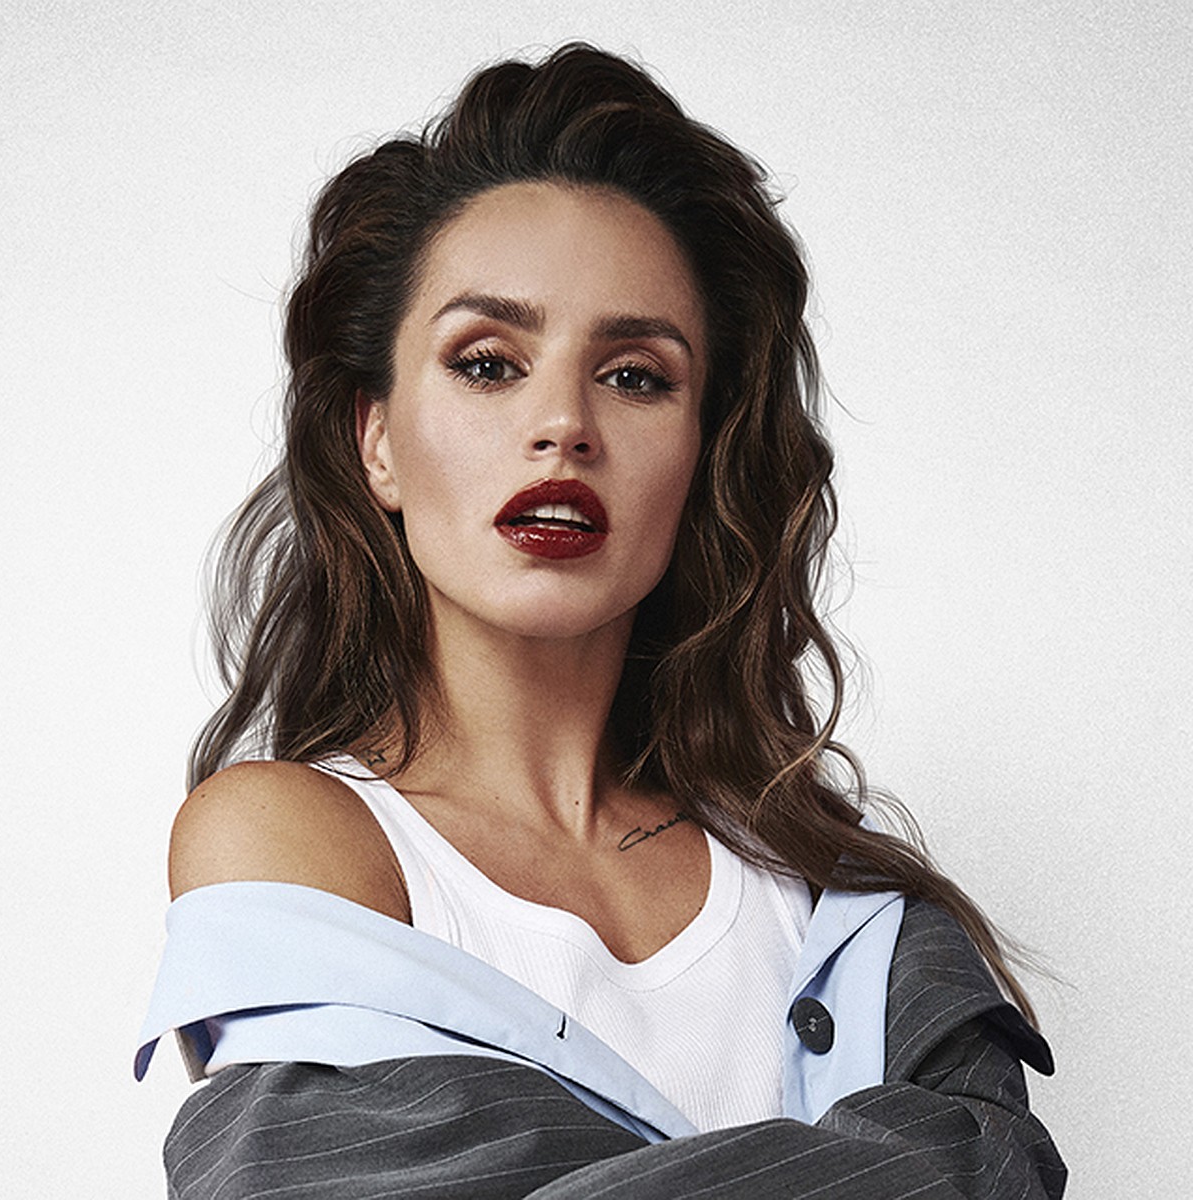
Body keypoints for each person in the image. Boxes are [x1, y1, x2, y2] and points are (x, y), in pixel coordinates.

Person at [136, 43, 1067, 1199]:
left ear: (702, 452)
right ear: (377, 442)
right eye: (488, 364)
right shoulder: (297, 838)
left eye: (636, 376)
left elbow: (994, 1166)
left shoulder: (844, 895)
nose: (564, 425)